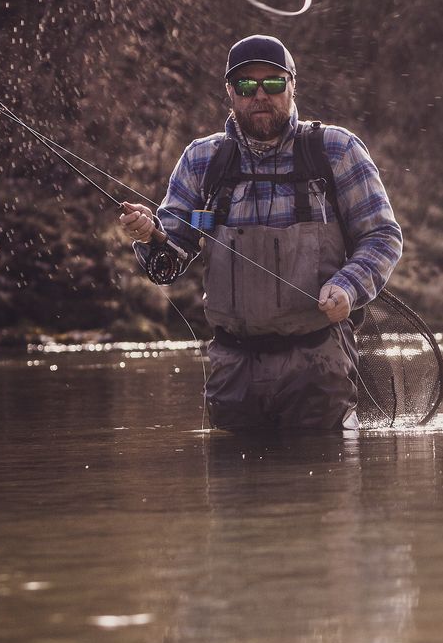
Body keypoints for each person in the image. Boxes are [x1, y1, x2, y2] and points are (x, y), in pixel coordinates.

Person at [117, 35, 403, 437]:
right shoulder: (202, 160)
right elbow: (168, 262)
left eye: (273, 83)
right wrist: (151, 236)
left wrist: (348, 287)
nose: (260, 95)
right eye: (247, 86)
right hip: (232, 369)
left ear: (292, 87)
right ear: (230, 92)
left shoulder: (335, 151)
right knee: (235, 495)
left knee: (324, 489)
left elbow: (382, 237)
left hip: (319, 363)